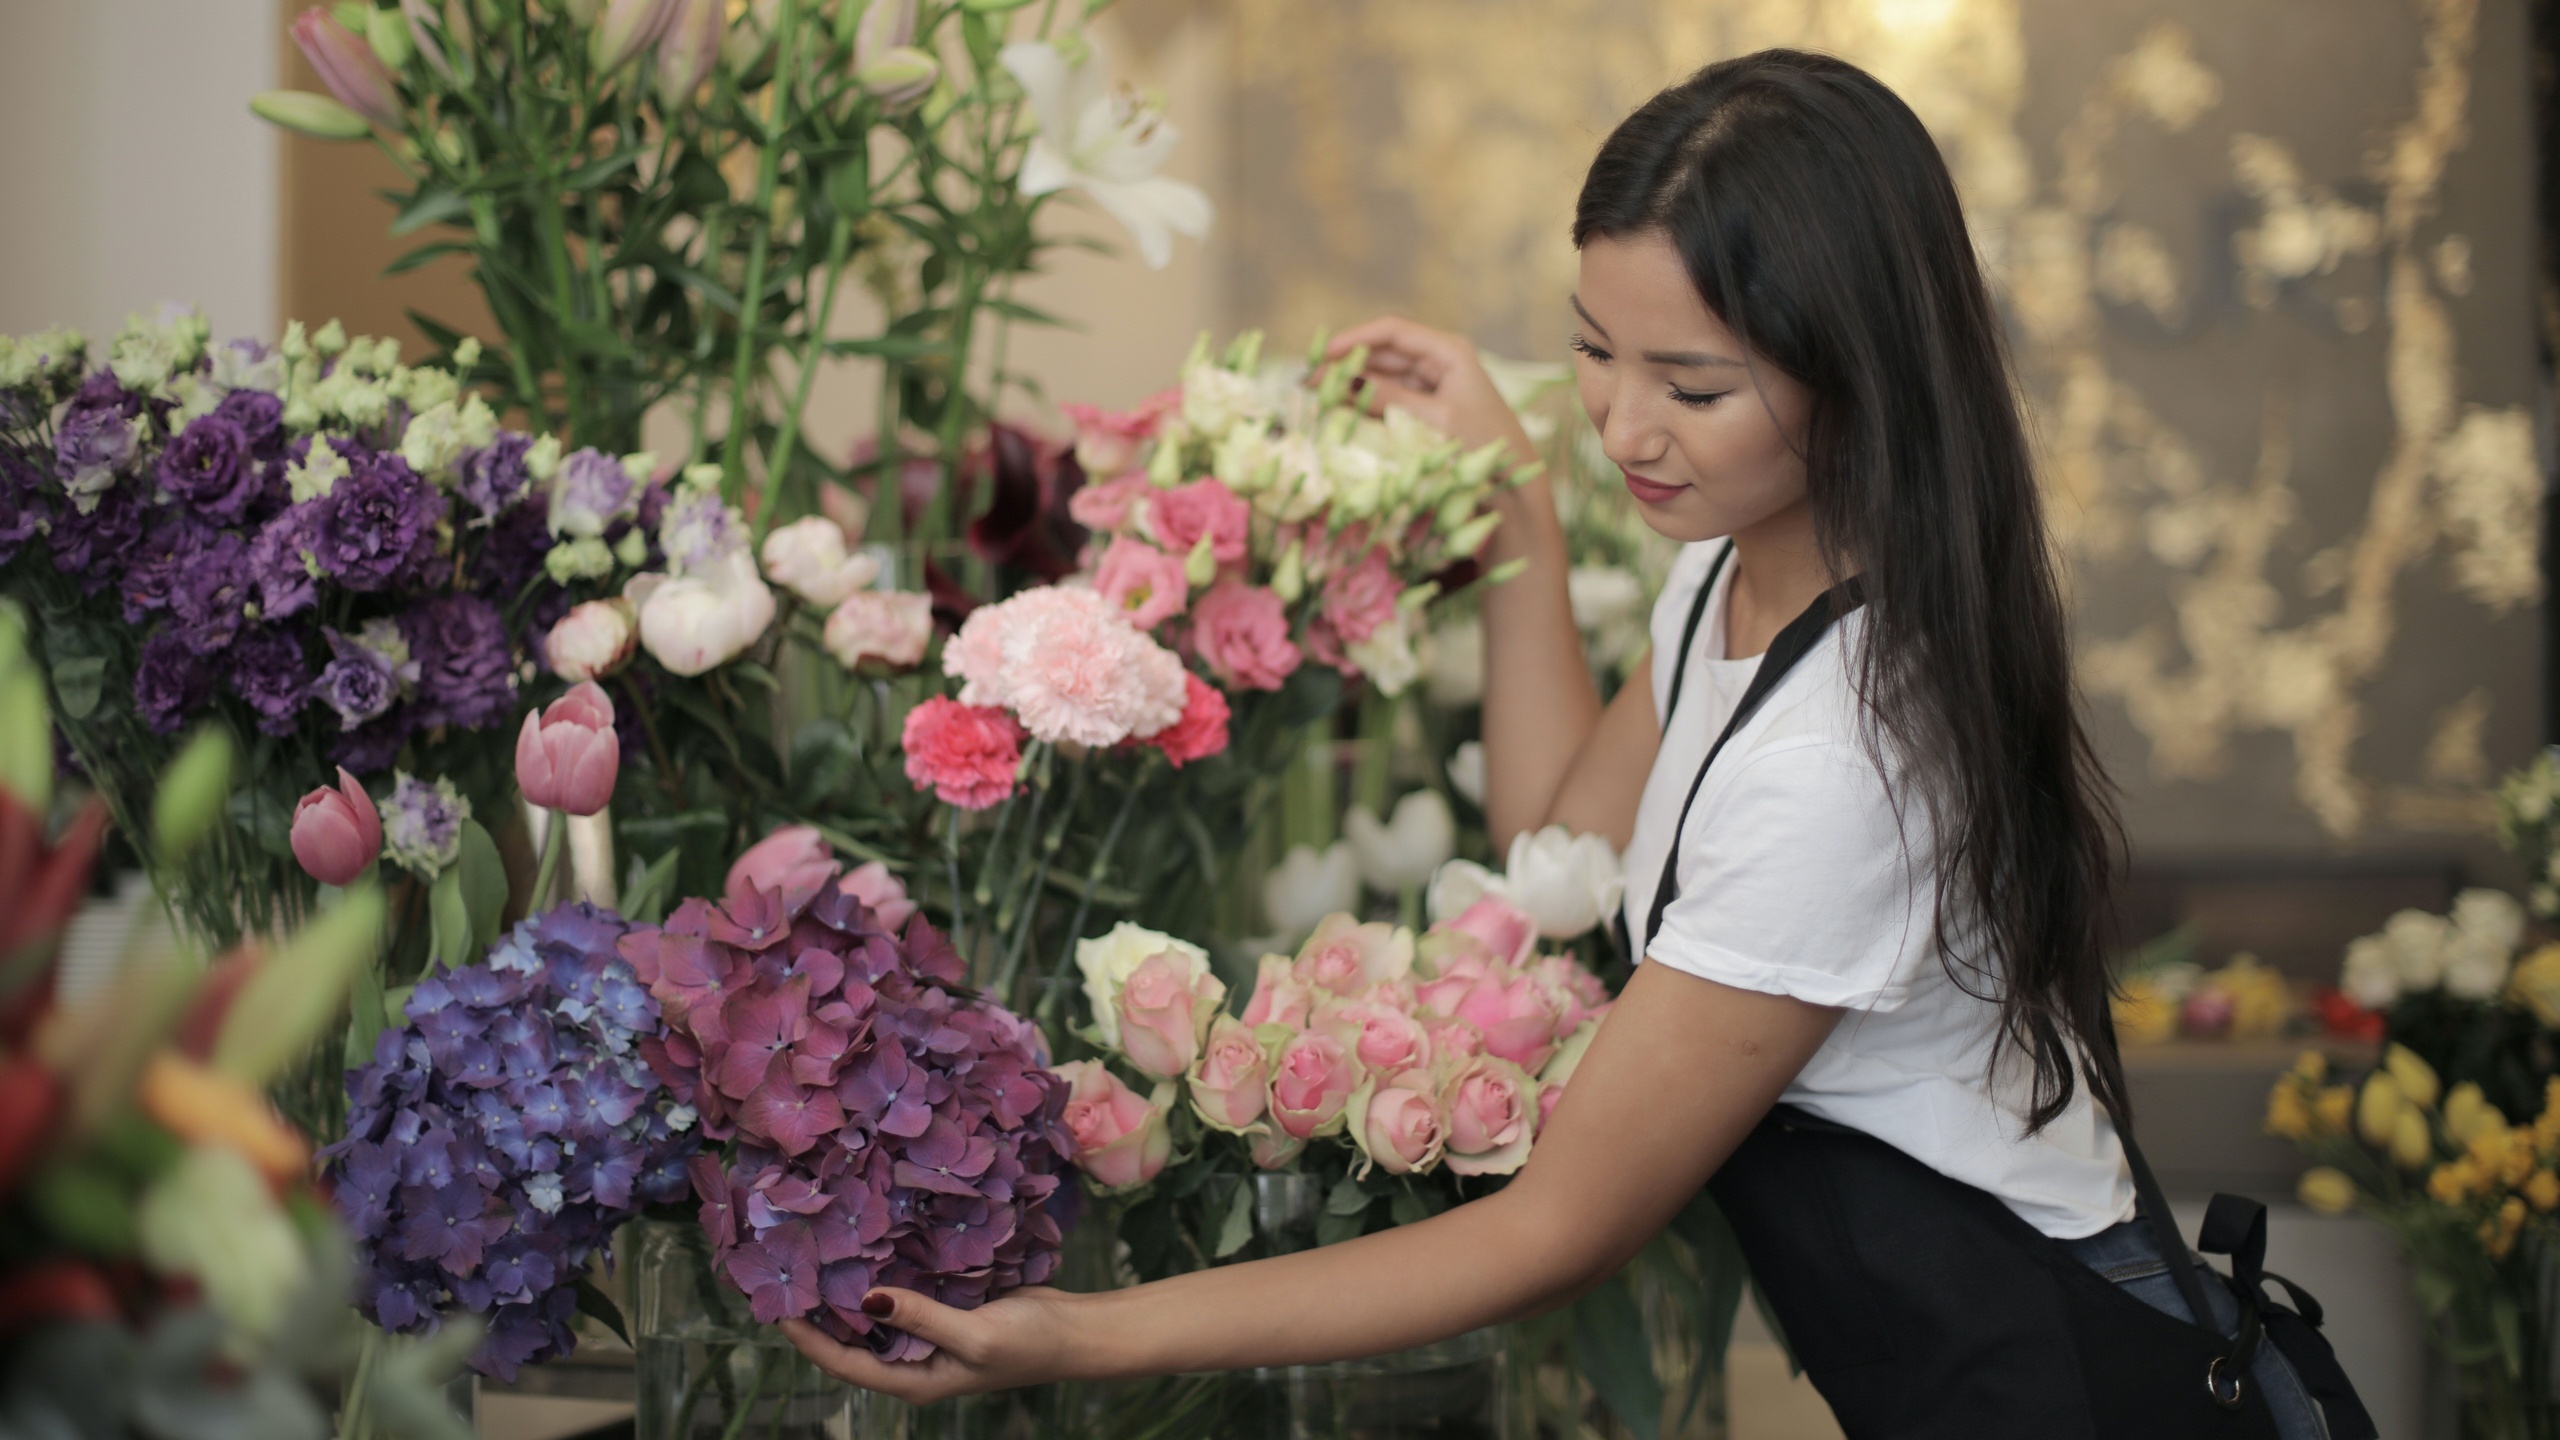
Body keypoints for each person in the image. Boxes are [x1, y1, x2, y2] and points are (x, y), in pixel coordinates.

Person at [782, 50, 2367, 1439]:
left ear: (1859, 377)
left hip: (2069, 1380)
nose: (1621, 425)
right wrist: (1514, 508)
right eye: (1594, 351)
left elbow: (1557, 1230)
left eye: (1692, 384)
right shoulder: (1728, 587)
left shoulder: (1850, 760)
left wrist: (1084, 1337)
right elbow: (1557, 837)